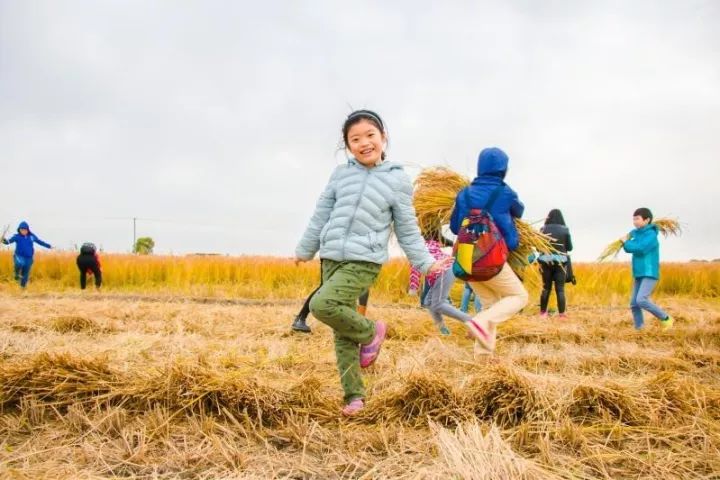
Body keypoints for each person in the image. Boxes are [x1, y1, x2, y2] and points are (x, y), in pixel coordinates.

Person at [295, 110, 450, 416]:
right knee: (342, 329)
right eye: (355, 139)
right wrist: (306, 248)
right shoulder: (340, 175)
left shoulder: (397, 180)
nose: (364, 143)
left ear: (383, 138)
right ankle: (354, 395)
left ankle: (372, 332)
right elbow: (321, 214)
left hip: (364, 259)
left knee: (322, 305)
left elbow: (407, 228)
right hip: (331, 257)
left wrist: (426, 263)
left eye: (370, 135)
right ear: (348, 146)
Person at [450, 147, 529, 354]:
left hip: (465, 259)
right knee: (519, 297)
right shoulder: (505, 192)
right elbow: (519, 211)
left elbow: (454, 226)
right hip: (491, 258)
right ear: (503, 169)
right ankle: (479, 321)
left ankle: (483, 357)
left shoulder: (464, 193)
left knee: (490, 304)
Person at [408, 229, 470, 335]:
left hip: (443, 271)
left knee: (438, 304)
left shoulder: (417, 250)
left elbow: (415, 270)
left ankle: (472, 321)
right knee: (428, 302)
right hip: (441, 272)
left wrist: (413, 288)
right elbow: (437, 240)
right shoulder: (429, 244)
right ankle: (443, 330)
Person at [620, 207, 673, 330]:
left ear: (647, 220)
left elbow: (640, 248)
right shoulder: (635, 234)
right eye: (633, 219)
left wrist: (626, 242)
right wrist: (626, 243)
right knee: (634, 304)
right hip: (638, 272)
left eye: (637, 219)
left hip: (649, 272)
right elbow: (629, 248)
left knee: (641, 300)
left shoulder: (651, 235)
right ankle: (640, 329)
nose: (635, 221)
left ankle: (666, 318)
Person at [291, 272, 369, 333]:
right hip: (331, 256)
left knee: (362, 280)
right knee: (325, 284)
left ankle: (359, 322)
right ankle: (300, 318)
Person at [538, 209, 573, 318]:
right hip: (561, 262)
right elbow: (570, 248)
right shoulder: (565, 230)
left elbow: (537, 246)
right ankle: (561, 315)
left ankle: (543, 313)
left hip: (545, 261)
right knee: (560, 289)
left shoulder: (542, 229)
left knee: (546, 288)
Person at [1, 221, 52, 288]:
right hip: (19, 256)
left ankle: (23, 288)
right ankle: (16, 274)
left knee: (25, 273)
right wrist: (3, 240)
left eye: (25, 229)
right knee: (20, 263)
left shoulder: (32, 236)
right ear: (19, 230)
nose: (23, 231)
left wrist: (49, 246)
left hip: (29, 258)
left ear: (27, 229)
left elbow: (40, 242)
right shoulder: (17, 237)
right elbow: (8, 241)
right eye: (21, 230)